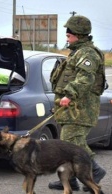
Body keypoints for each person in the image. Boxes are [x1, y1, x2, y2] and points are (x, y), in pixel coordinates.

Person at [49, 15, 106, 192]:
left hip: (81, 108)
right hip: (71, 108)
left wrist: (69, 94)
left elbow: (85, 78)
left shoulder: (87, 53)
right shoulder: (77, 52)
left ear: (78, 35)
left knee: (73, 144)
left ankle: (95, 172)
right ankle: (70, 180)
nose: (67, 39)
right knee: (68, 145)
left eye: (69, 35)